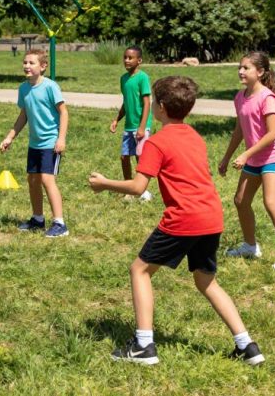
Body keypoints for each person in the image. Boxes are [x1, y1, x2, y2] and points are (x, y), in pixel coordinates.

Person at [88, 76, 265, 367]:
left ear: (159, 107)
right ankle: (247, 346)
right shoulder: (195, 136)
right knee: (206, 281)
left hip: (184, 218)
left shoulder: (156, 143)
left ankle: (144, 346)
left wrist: (105, 183)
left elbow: (138, 187)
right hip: (211, 216)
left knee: (139, 270)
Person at [218, 52, 275, 271]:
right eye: (240, 67)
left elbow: (272, 134)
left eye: (246, 68)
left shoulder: (267, 97)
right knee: (241, 201)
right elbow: (239, 130)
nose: (241, 71)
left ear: (260, 72)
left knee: (271, 203)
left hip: (273, 157)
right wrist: (226, 157)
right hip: (254, 158)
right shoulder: (240, 97)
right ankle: (250, 246)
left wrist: (245, 155)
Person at [0, 49, 70, 238]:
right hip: (35, 144)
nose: (27, 66)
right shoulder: (23, 88)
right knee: (32, 180)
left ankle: (59, 223)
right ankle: (38, 219)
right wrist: (10, 137)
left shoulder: (50, 87)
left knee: (47, 180)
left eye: (31, 63)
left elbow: (63, 112)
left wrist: (61, 138)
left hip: (50, 142)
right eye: (25, 62)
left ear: (43, 66)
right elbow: (24, 115)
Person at [110, 46, 153, 201]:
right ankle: (129, 188)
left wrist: (142, 127)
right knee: (124, 157)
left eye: (131, 58)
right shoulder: (123, 79)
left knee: (140, 159)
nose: (127, 60)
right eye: (125, 57)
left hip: (141, 126)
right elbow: (126, 103)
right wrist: (116, 119)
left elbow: (147, 103)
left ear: (139, 60)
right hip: (129, 126)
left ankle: (143, 191)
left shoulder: (143, 78)